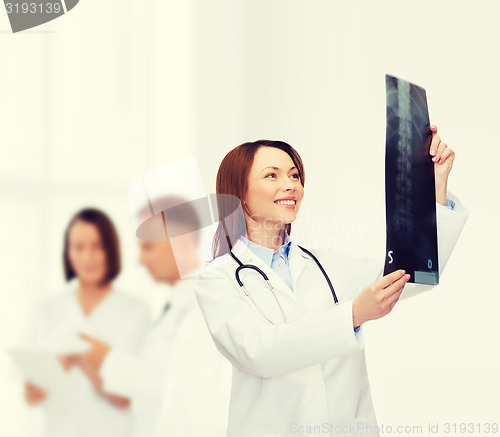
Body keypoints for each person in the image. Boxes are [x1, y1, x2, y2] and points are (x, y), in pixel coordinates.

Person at [194, 125, 469, 437]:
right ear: (238, 193)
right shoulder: (217, 279)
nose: (290, 185)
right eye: (272, 175)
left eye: (294, 175)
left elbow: (414, 273)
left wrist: (434, 186)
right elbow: (257, 351)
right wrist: (352, 315)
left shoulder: (328, 265)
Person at [68, 196, 232, 437]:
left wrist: (108, 360)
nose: (140, 260)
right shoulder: (174, 308)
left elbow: (188, 397)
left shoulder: (206, 308)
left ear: (181, 241)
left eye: (148, 247)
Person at [22, 208, 150, 437]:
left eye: (97, 246)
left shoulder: (135, 311)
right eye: (78, 247)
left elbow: (128, 397)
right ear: (68, 253)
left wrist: (81, 359)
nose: (87, 257)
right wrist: (43, 382)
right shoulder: (45, 310)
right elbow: (31, 397)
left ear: (110, 251)